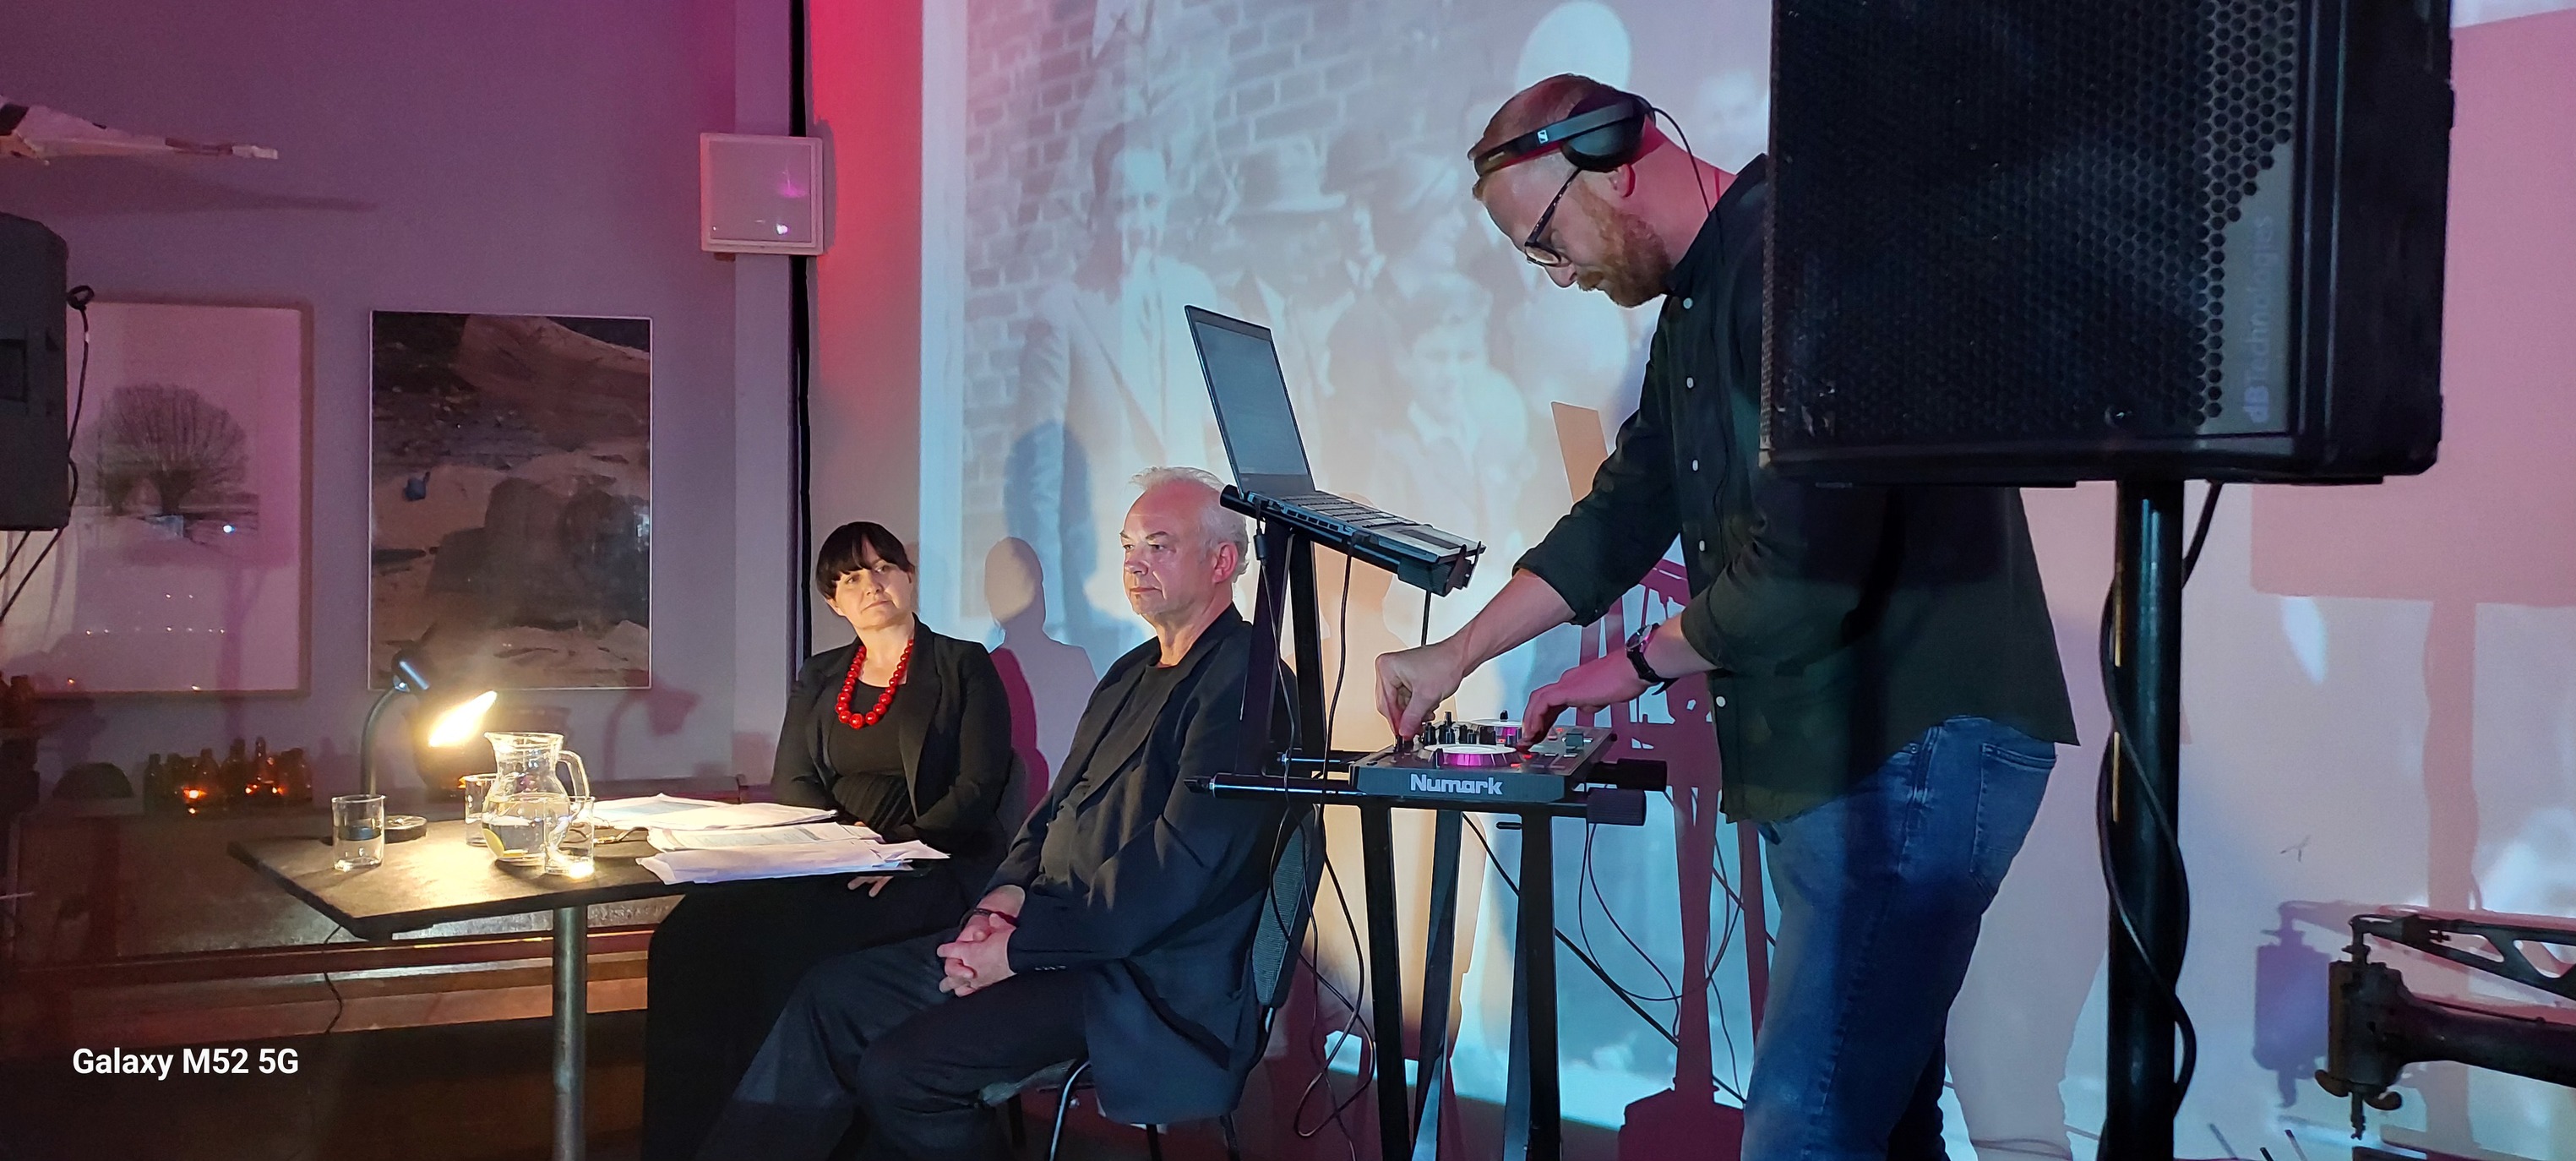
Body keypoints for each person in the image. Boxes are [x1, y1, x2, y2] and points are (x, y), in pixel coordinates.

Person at [1375, 74, 2078, 1158]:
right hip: (1854, 751)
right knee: (1882, 1122)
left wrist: (1634, 663)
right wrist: (1454, 654)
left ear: (1610, 161)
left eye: (1546, 242)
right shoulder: (1701, 304)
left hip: (1912, 736)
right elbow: (1624, 512)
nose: (1558, 276)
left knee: (1802, 1130)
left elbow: (1810, 562)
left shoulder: (1807, 262)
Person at [695, 468, 1292, 1161]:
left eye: (1158, 545)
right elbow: (1053, 811)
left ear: (1222, 562)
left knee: (904, 1073)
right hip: (1048, 932)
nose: (1134, 563)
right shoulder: (1129, 672)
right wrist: (1001, 900)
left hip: (1138, 979)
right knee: (835, 995)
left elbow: (1176, 872)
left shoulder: (1247, 687)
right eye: (1128, 546)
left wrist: (1016, 949)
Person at [643, 521, 1016, 1161]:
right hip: (827, 857)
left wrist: (901, 852)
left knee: (793, 950)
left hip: (927, 861)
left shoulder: (962, 665)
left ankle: (791, 1138)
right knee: (689, 936)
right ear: (833, 601)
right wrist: (829, 848)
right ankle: (691, 1138)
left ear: (907, 578)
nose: (870, 584)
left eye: (883, 567)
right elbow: (795, 780)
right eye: (850, 577)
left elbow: (978, 786)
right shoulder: (820, 675)